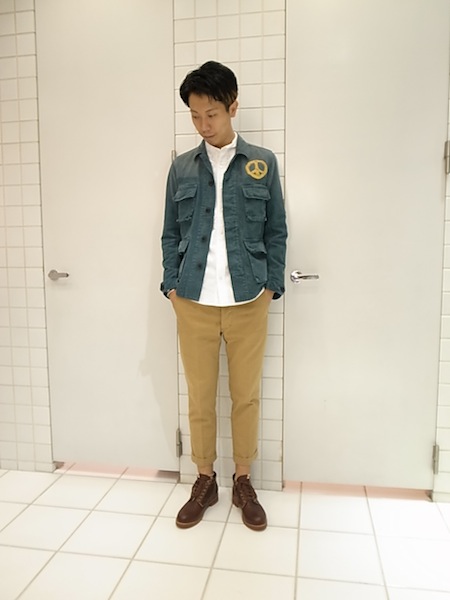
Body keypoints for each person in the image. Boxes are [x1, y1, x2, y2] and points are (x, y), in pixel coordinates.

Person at [160, 61, 287, 531]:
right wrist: (171, 285)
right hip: (193, 300)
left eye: (211, 114)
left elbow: (277, 230)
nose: (203, 124)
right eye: (195, 116)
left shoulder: (262, 163)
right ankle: (205, 479)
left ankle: (243, 479)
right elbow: (170, 233)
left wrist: (272, 284)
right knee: (199, 397)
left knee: (245, 396)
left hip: (248, 298)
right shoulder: (181, 168)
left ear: (233, 107)